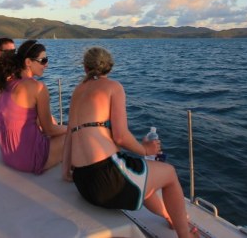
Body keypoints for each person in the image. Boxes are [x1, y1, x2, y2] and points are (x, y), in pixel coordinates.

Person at [62, 47, 197, 238]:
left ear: (85, 68)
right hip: (107, 181)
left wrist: (65, 169)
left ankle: (170, 216)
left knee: (143, 173)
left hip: (83, 182)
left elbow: (70, 134)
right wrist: (145, 148)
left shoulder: (77, 91)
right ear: (110, 67)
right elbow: (120, 136)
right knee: (169, 174)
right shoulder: (113, 87)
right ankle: (185, 235)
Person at [0, 39, 67, 174]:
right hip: (31, 160)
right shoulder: (37, 88)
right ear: (28, 62)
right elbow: (49, 130)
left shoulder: (3, 85)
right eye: (43, 60)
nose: (46, 65)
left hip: (8, 156)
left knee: (52, 121)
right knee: (78, 134)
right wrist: (71, 128)